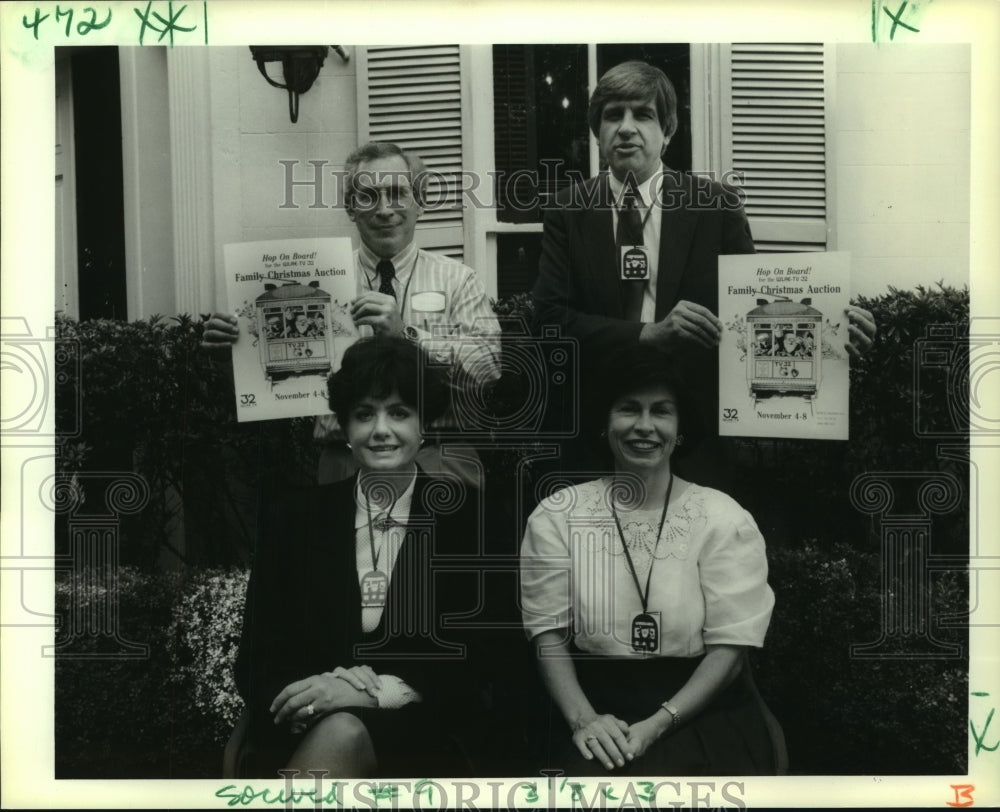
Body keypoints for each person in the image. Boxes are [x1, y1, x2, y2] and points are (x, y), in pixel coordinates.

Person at [531, 60, 875, 484]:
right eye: (612, 115)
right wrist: (646, 334)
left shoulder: (716, 205)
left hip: (696, 436)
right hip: (593, 432)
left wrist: (831, 335)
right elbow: (548, 322)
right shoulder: (568, 210)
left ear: (668, 131)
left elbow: (754, 308)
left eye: (643, 114)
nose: (625, 127)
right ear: (596, 130)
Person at [519, 347, 777, 775]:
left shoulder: (723, 518)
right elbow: (547, 635)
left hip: (698, 712)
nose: (644, 426)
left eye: (661, 411)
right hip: (592, 710)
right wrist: (584, 720)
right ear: (604, 424)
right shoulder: (557, 516)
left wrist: (658, 724)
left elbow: (731, 648)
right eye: (628, 409)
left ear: (680, 429)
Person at [234, 336, 483, 777]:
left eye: (399, 413)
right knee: (339, 731)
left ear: (424, 424)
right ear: (345, 427)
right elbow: (257, 660)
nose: (381, 430)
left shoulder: (471, 519)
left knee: (345, 730)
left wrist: (370, 694)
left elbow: (483, 657)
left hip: (427, 731)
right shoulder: (293, 518)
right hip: (303, 724)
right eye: (365, 414)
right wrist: (316, 698)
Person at [203, 141, 501, 486]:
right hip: (345, 464)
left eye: (397, 193)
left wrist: (406, 336)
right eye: (368, 196)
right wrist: (238, 354)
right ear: (350, 208)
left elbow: (488, 369)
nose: (384, 209)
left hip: (441, 461)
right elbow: (276, 388)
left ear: (419, 202)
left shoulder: (457, 280)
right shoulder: (314, 283)